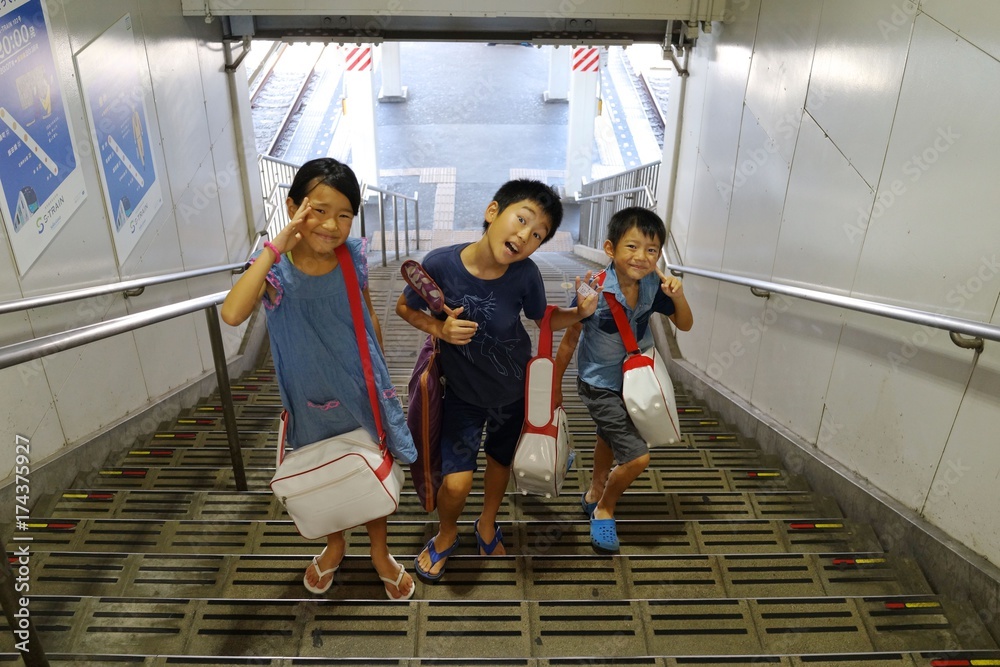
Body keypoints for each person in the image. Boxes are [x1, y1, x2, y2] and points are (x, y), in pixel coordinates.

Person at [221, 157, 417, 600]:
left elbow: (366, 313)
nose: (331, 225)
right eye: (319, 210)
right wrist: (277, 244)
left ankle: (379, 551)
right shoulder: (274, 270)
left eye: (344, 214)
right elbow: (232, 314)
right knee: (326, 470)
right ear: (293, 206)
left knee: (370, 468)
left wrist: (381, 372)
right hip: (310, 398)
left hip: (362, 391)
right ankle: (335, 543)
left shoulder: (354, 256)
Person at [395, 179, 600, 581]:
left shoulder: (525, 275)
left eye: (538, 234)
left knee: (499, 463)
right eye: (521, 220)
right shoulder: (439, 265)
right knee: (454, 484)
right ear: (493, 212)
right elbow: (406, 306)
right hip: (460, 397)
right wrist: (438, 331)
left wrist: (578, 312)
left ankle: (487, 523)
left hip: (513, 394)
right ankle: (446, 532)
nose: (525, 236)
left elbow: (543, 320)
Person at [555, 206, 694, 554]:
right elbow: (570, 337)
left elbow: (686, 324)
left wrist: (678, 295)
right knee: (636, 457)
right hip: (599, 384)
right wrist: (553, 388)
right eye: (631, 247)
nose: (641, 257)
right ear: (610, 248)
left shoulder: (653, 285)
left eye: (651, 250)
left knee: (608, 436)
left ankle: (593, 493)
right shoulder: (593, 289)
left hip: (636, 383)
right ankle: (604, 509)